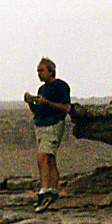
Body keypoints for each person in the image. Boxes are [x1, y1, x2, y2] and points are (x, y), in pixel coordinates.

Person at [24, 58, 72, 210]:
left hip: (53, 125)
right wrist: (31, 103)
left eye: (41, 70)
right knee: (49, 159)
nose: (38, 74)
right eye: (38, 71)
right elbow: (37, 111)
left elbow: (66, 107)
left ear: (51, 71)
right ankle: (52, 191)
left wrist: (47, 102)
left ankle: (44, 192)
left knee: (42, 158)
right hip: (41, 126)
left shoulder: (61, 86)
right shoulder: (41, 89)